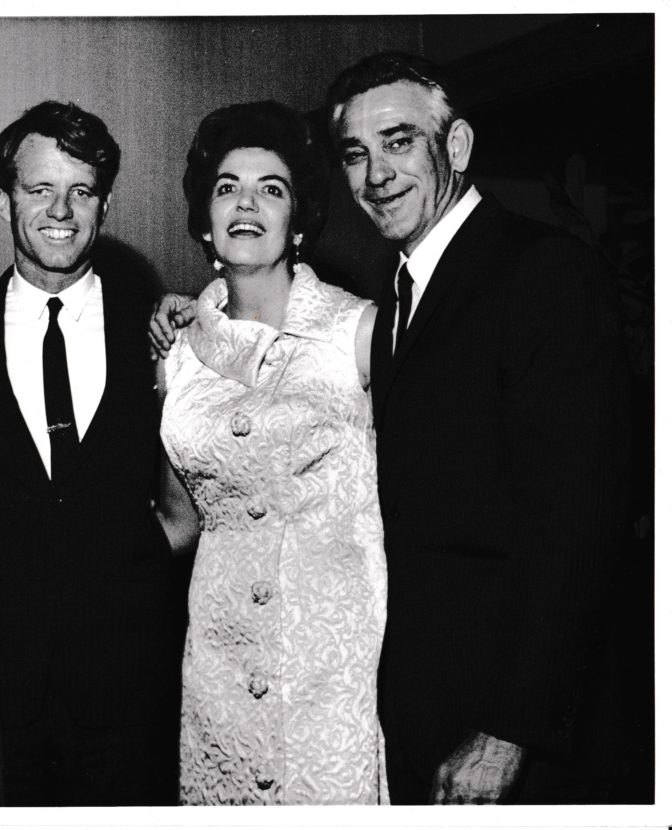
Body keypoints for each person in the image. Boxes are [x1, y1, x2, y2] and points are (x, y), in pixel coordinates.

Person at [325, 51, 631, 805]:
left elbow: (578, 521)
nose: (376, 175)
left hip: (507, 724)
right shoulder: (397, 295)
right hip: (425, 701)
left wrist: (510, 730)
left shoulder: (543, 271)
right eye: (356, 154)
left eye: (399, 142)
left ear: (455, 147)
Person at [0, 101, 193, 807]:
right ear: (1, 196)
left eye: (82, 190)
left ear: (105, 202)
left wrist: (130, 574)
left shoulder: (160, 327)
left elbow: (187, 508)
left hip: (132, 703)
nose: (61, 210)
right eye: (39, 188)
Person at [157, 100, 387, 805]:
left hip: (337, 675)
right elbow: (176, 520)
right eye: (227, 188)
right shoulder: (177, 356)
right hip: (218, 677)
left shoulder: (361, 331)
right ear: (204, 218)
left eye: (271, 189)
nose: (247, 203)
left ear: (298, 220)